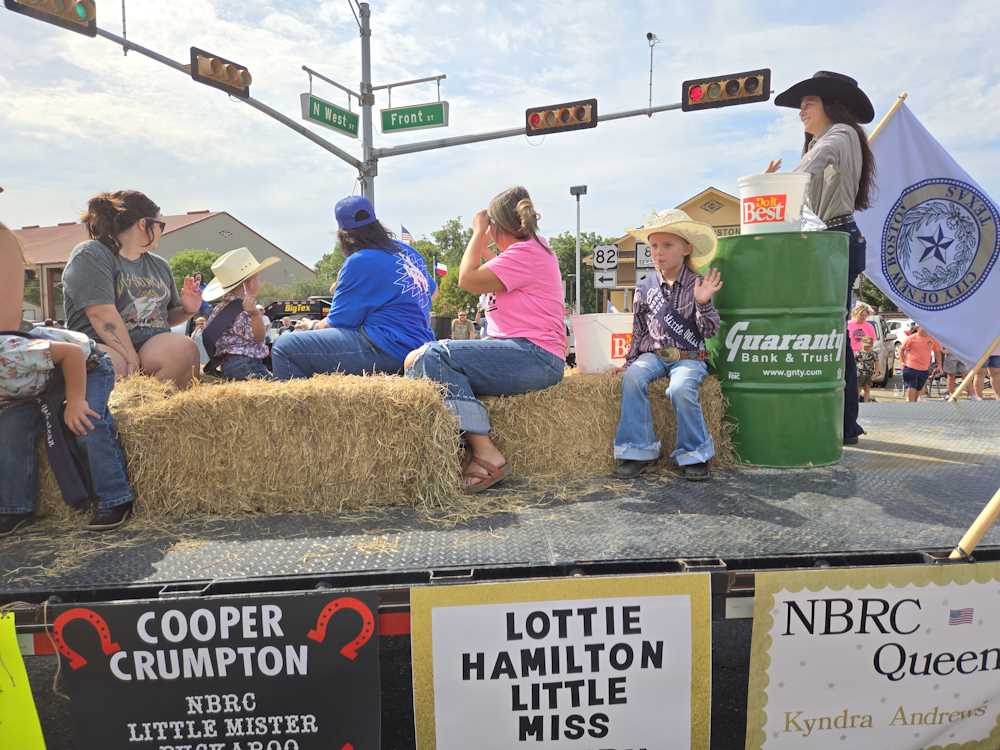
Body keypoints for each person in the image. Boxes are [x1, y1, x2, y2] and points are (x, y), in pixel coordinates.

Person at [404, 186, 567, 493]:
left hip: (533, 355)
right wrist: (485, 237)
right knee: (415, 361)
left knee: (432, 356)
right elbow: (488, 264)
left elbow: (467, 279)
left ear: (497, 226)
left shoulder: (525, 254)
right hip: (527, 353)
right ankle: (447, 453)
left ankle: (484, 450)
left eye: (491, 227)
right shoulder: (530, 251)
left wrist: (477, 233)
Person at [0, 223, 134, 535]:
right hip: (35, 381)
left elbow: (70, 356)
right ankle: (14, 507)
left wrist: (74, 401)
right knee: (9, 429)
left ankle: (115, 498)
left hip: (84, 364)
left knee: (87, 421)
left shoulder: (7, 352)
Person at [767, 71, 876, 444]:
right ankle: (840, 421)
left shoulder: (839, 136)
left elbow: (809, 170)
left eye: (808, 103)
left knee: (830, 332)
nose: (801, 112)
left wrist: (772, 187)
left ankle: (843, 423)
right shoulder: (831, 140)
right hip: (830, 237)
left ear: (830, 105)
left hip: (834, 237)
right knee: (830, 331)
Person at [611, 209, 722, 482]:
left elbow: (709, 330)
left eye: (667, 245)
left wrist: (703, 303)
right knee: (634, 378)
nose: (658, 252)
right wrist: (629, 363)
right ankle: (638, 451)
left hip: (689, 356)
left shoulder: (698, 284)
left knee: (681, 387)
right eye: (654, 246)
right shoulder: (644, 286)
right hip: (653, 355)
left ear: (686, 248)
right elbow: (638, 331)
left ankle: (695, 454)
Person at [271, 196, 436, 378]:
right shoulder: (409, 252)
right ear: (376, 223)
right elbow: (434, 292)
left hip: (388, 348)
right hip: (421, 347)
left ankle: (304, 407)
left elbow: (337, 322)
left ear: (346, 235)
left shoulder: (360, 261)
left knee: (285, 347)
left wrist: (311, 326)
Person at [62, 191, 202, 388]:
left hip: (150, 344)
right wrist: (131, 358)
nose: (162, 231)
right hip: (103, 343)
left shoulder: (160, 266)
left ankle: (156, 413)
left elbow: (164, 317)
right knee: (111, 364)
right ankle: (120, 414)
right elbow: (101, 314)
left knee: (185, 349)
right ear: (143, 223)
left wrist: (188, 310)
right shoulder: (91, 254)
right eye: (160, 225)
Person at [201, 248, 280, 381]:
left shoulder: (219, 308)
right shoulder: (246, 310)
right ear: (248, 283)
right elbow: (259, 337)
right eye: (258, 278)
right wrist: (255, 314)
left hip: (229, 364)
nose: (260, 282)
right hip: (246, 364)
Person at [899, 324, 942, 402]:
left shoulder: (932, 339)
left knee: (918, 393)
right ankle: (909, 408)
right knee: (911, 390)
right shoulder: (911, 338)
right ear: (918, 327)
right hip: (910, 368)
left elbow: (937, 351)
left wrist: (939, 365)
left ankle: (913, 408)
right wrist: (902, 362)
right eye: (922, 326)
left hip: (924, 370)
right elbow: (902, 349)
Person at [855, 336, 877, 403]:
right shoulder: (858, 353)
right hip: (859, 374)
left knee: (867, 389)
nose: (867, 348)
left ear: (872, 345)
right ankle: (857, 402)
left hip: (869, 374)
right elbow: (854, 363)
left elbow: (877, 362)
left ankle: (866, 402)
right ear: (862, 344)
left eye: (869, 346)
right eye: (866, 346)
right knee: (858, 389)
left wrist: (876, 372)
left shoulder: (873, 354)